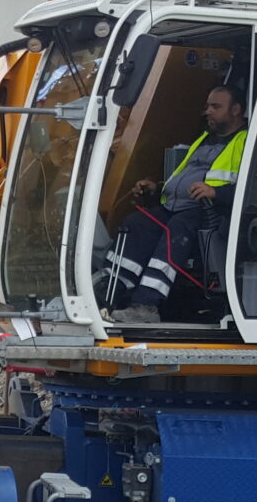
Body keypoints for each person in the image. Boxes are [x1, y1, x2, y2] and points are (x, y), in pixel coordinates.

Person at [105, 83, 248, 324]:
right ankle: (109, 293)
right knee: (136, 223)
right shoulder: (204, 138)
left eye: (215, 106)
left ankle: (146, 306)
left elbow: (256, 189)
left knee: (177, 230)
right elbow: (183, 180)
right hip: (175, 207)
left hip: (210, 215)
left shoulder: (247, 141)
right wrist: (157, 188)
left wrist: (216, 193)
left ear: (236, 110)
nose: (208, 112)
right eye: (207, 106)